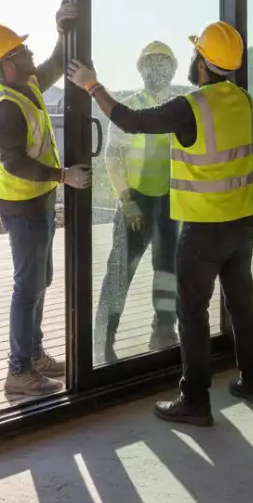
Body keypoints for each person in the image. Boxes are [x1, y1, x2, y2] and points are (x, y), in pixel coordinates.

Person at [67, 20, 253, 426]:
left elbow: (130, 120)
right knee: (242, 304)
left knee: (191, 313)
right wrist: (129, 201)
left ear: (202, 64)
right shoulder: (243, 101)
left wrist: (91, 86)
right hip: (241, 224)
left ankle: (194, 400)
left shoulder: (190, 107)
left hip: (200, 226)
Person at [0, 0, 92, 397]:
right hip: (22, 207)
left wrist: (62, 29)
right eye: (22, 51)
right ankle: (18, 370)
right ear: (7, 65)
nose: (30, 53)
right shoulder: (6, 108)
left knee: (41, 280)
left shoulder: (28, 84)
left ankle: (35, 355)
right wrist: (64, 176)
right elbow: (16, 164)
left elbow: (58, 61)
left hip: (38, 202)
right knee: (28, 286)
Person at [95, 41, 180, 364]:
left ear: (171, 71)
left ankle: (164, 332)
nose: (155, 71)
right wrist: (127, 200)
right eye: (150, 65)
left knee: (167, 272)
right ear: (141, 70)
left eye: (161, 65)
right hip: (137, 202)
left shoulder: (177, 108)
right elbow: (113, 157)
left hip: (169, 201)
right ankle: (103, 343)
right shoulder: (130, 109)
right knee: (120, 273)